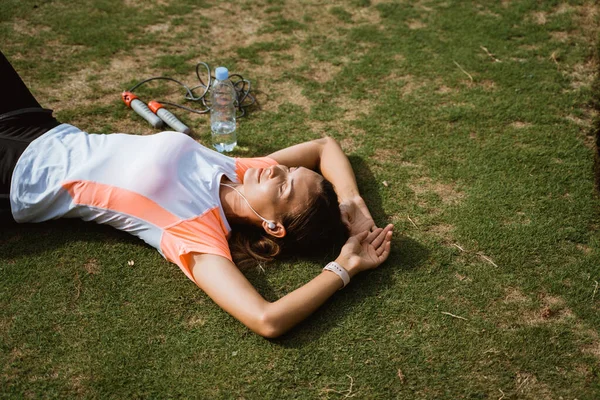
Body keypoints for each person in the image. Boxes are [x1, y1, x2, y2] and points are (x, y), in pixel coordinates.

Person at [0, 51, 394, 338]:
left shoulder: (196, 232)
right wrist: (351, 202)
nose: (276, 167)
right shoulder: (238, 171)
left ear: (273, 226)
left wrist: (345, 267)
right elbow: (325, 146)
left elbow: (267, 319)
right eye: (289, 169)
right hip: (42, 130)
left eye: (286, 184)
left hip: (18, 175)